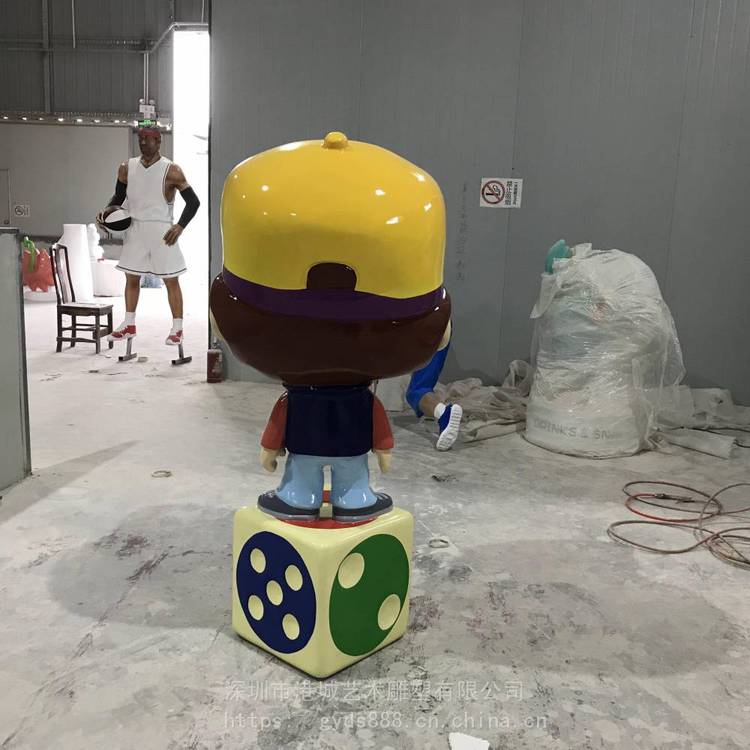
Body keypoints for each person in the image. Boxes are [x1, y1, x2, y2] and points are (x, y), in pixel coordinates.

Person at [97, 123, 200, 346]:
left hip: (162, 231)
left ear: (158, 141)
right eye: (140, 139)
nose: (143, 143)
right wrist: (106, 214)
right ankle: (129, 324)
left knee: (171, 280)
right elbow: (118, 198)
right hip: (135, 228)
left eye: (148, 139)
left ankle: (177, 328)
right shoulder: (126, 167)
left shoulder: (172, 170)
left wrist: (180, 226)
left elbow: (193, 202)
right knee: (131, 278)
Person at [404, 320, 463, 450]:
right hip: (439, 322)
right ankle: (443, 413)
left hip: (402, 323)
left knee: (363, 374)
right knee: (419, 389)